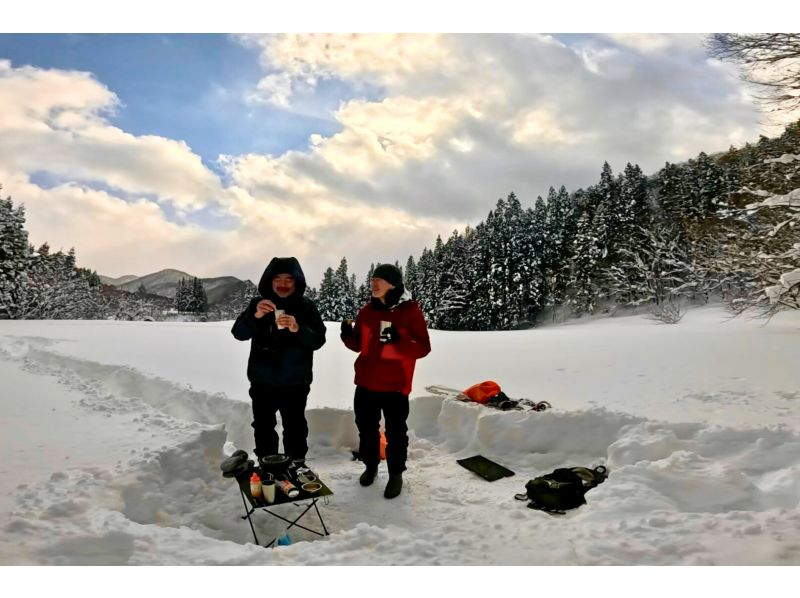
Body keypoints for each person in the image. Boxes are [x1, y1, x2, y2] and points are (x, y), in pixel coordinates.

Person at [340, 263, 431, 499]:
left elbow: (423, 347)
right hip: (366, 383)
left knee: (396, 434)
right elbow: (359, 345)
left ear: (393, 284)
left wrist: (399, 339)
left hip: (395, 386)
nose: (374, 283)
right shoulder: (366, 312)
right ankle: (371, 467)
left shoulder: (410, 312)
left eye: (379, 280)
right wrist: (347, 335)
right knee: (366, 430)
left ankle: (396, 474)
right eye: (372, 279)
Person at [232, 257, 326, 464]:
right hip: (262, 381)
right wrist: (255, 316)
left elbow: (319, 340)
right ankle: (269, 466)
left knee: (295, 427)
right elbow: (238, 333)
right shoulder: (259, 304)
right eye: (278, 279)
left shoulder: (306, 307)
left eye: (288, 279)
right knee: (263, 426)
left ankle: (297, 466)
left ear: (297, 282)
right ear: (269, 281)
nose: (283, 284)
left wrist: (298, 329)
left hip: (296, 382)